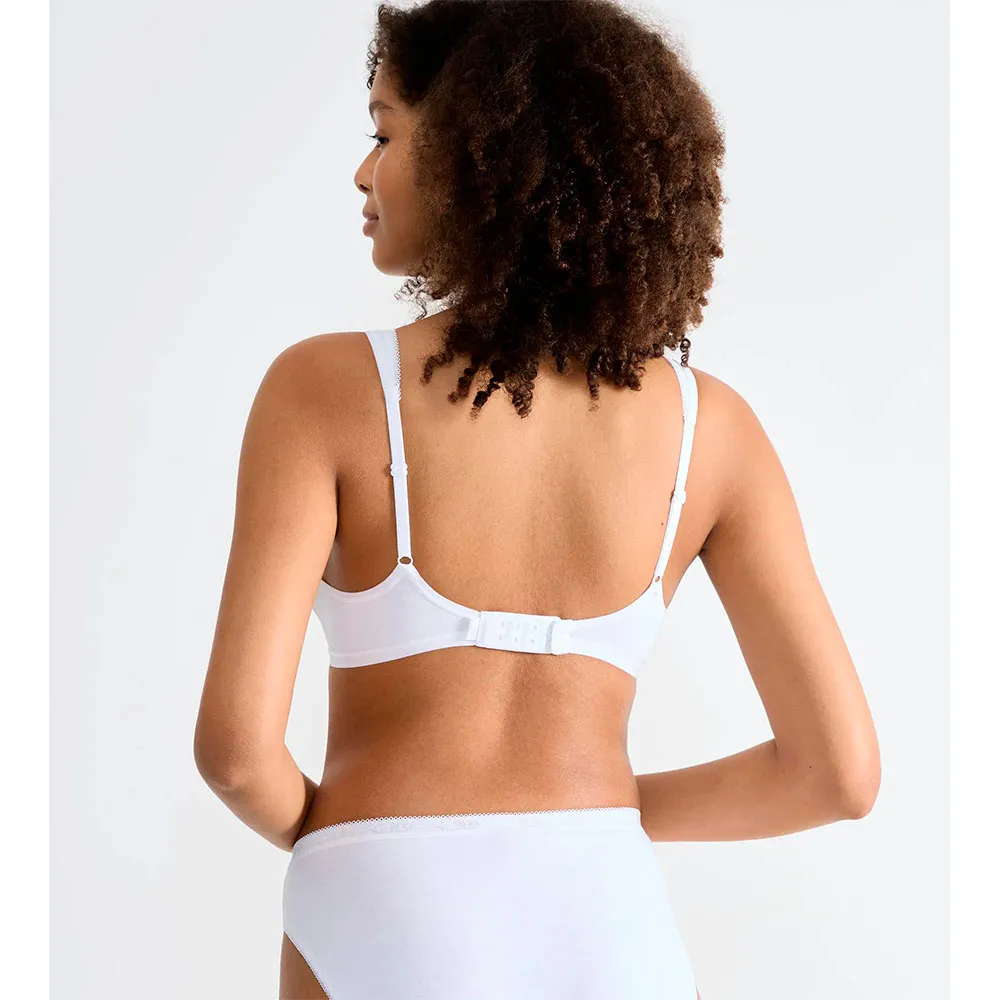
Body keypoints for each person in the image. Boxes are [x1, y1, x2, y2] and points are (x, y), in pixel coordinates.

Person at [193, 2, 881, 997]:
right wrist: (596, 815)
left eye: (384, 133)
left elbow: (234, 752)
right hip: (608, 910)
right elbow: (839, 775)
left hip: (383, 891)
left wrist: (343, 836)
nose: (361, 172)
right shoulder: (714, 430)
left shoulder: (324, 391)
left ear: (470, 148)